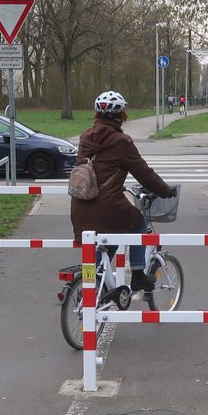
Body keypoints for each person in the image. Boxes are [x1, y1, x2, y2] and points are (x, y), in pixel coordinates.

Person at [70, 90, 175, 292]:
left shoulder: (85, 139)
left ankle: (95, 287)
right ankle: (137, 275)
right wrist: (165, 191)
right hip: (108, 207)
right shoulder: (121, 142)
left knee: (104, 245)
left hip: (80, 208)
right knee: (138, 225)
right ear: (120, 115)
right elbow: (144, 174)